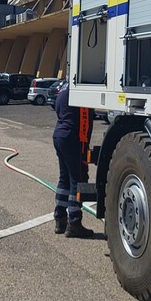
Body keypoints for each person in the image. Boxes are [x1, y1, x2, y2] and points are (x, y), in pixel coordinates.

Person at [52, 83, 94, 238]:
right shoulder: (79, 90)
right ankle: (74, 222)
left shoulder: (63, 88)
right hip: (72, 136)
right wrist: (84, 147)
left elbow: (57, 109)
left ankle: (60, 219)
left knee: (64, 179)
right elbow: (85, 120)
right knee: (78, 179)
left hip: (59, 134)